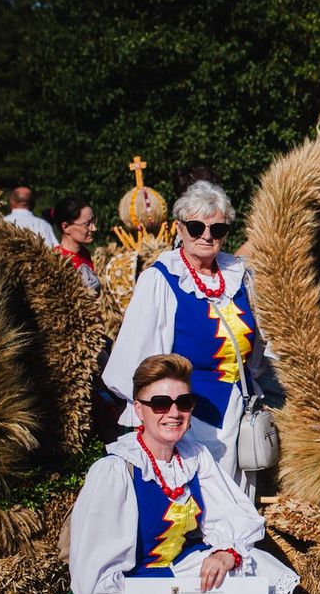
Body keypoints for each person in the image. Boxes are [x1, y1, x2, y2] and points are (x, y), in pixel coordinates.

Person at [66, 354, 304, 594]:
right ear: (138, 409)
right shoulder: (116, 470)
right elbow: (96, 572)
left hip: (180, 568)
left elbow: (235, 518)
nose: (173, 412)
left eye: (184, 402)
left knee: (262, 574)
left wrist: (226, 552)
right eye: (160, 403)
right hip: (132, 581)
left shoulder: (194, 458)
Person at [104, 180, 265, 499]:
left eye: (217, 229)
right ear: (179, 229)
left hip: (240, 405)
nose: (207, 236)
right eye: (196, 227)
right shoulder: (160, 280)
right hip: (189, 415)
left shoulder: (239, 276)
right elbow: (137, 358)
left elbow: (259, 345)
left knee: (238, 497)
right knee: (200, 498)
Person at [52, 196, 101, 291]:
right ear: (66, 227)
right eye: (87, 224)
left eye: (93, 221)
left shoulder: (84, 253)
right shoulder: (56, 261)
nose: (94, 228)